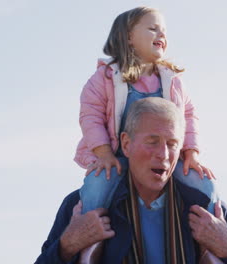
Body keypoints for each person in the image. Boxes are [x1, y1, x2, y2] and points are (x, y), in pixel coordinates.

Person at [35, 98, 227, 264]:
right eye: (152, 142)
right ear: (126, 144)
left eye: (172, 143)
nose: (163, 154)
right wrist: (67, 245)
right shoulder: (82, 206)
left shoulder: (207, 211)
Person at [74, 6, 218, 220]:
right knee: (98, 186)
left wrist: (191, 154)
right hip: (117, 157)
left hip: (165, 159)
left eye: (164, 32)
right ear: (129, 37)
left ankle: (208, 243)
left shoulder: (172, 81)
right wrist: (103, 154)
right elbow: (91, 116)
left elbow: (187, 117)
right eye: (153, 28)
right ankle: (91, 241)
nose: (161, 35)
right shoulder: (105, 78)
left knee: (204, 183)